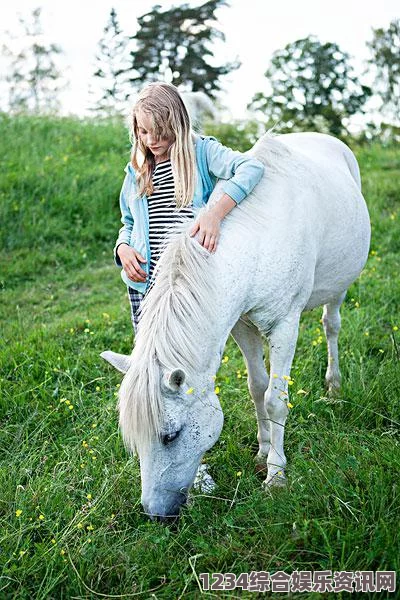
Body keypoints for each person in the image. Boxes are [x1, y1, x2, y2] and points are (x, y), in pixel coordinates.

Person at [113, 82, 264, 332]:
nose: (152, 140)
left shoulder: (202, 151)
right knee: (149, 355)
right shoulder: (137, 170)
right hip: (143, 282)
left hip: (186, 279)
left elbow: (251, 168)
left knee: (187, 352)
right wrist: (123, 248)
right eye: (143, 132)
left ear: (178, 123)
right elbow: (128, 222)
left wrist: (214, 214)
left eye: (160, 131)